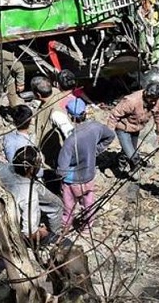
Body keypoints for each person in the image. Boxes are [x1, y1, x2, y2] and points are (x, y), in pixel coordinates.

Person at [58, 98, 115, 233]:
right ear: (85, 113)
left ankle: (65, 228)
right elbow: (110, 136)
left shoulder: (70, 141)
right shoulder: (96, 127)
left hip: (71, 181)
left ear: (70, 116)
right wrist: (96, 150)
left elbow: (62, 169)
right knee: (88, 205)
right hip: (88, 176)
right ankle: (87, 228)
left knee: (68, 207)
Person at [0, 145, 63, 245]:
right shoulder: (29, 194)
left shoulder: (2, 168)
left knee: (55, 203)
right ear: (31, 169)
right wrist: (42, 233)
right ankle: (55, 238)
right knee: (57, 205)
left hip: (0, 211)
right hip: (15, 229)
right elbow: (29, 233)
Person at [107, 83, 159, 178]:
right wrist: (109, 133)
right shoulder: (131, 101)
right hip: (123, 128)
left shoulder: (157, 100)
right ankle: (133, 170)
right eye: (152, 99)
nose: (153, 103)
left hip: (136, 128)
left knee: (130, 150)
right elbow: (114, 115)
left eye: (155, 100)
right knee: (132, 154)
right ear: (146, 93)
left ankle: (120, 163)